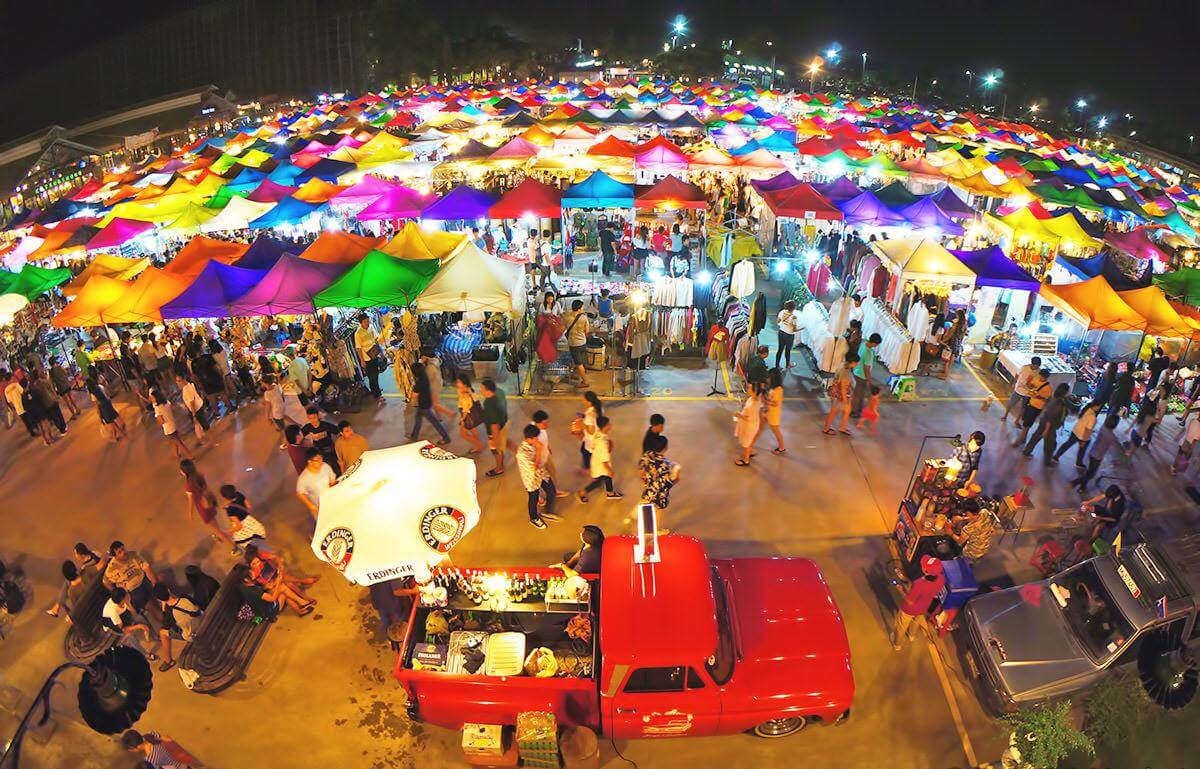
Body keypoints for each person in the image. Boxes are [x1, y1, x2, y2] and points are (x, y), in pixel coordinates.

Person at [891, 555, 945, 650]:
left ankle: (897, 644)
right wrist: (907, 580)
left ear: (926, 571)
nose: (922, 566)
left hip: (909, 610)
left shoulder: (919, 584)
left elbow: (909, 601)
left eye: (924, 566)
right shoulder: (941, 579)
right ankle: (911, 635)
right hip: (924, 607)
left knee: (901, 626)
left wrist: (900, 590)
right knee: (916, 622)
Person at [152, 583, 201, 672]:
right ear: (168, 590)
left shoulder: (169, 612)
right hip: (203, 622)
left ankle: (168, 661)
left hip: (193, 634)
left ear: (159, 600)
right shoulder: (184, 597)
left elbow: (167, 626)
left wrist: (164, 608)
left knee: (163, 633)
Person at [517, 424, 559, 529]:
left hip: (542, 473)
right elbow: (534, 468)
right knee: (533, 498)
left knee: (552, 491)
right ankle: (534, 518)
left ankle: (547, 511)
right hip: (532, 479)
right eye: (535, 438)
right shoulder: (522, 453)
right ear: (529, 439)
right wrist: (539, 450)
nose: (537, 440)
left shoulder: (533, 443)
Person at [103, 541, 157, 613]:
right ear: (115, 557)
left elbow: (146, 567)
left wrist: (155, 584)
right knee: (151, 606)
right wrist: (117, 592)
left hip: (144, 579)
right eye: (119, 552)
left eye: (123, 549)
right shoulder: (111, 569)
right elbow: (105, 582)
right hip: (133, 591)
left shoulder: (134, 555)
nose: (123, 552)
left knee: (160, 587)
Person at [1072, 413, 1121, 491]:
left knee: (1089, 472)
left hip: (1092, 452)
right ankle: (1073, 483)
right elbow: (1118, 447)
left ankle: (1082, 488)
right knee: (1090, 475)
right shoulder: (1111, 436)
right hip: (1097, 457)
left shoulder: (1103, 427)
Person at [1023, 382, 1070, 464]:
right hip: (1049, 425)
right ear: (1065, 392)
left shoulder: (1054, 396)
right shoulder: (1059, 402)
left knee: (1036, 436)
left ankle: (1027, 451)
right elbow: (1051, 416)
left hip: (1044, 421)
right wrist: (1046, 430)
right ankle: (1047, 461)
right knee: (1049, 444)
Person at [577, 416, 621, 501]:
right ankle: (582, 492)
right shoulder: (603, 443)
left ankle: (610, 493)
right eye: (608, 424)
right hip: (601, 465)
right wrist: (609, 470)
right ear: (605, 427)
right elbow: (604, 460)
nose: (610, 425)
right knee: (599, 481)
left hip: (596, 461)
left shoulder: (598, 433)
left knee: (607, 477)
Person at [408, 362, 450, 444]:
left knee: (435, 422)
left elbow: (414, 396)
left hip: (423, 406)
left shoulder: (418, 384)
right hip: (425, 403)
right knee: (418, 419)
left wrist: (412, 400)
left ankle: (446, 438)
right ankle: (414, 436)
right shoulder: (425, 378)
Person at [1054, 399, 1103, 468]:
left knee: (1067, 444)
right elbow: (1087, 430)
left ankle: (1056, 456)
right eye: (1099, 406)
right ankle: (1079, 463)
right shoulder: (1092, 417)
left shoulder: (1085, 409)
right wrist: (1084, 440)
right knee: (1082, 449)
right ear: (1096, 406)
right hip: (1082, 435)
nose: (1099, 408)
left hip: (1075, 430)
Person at [121, 730, 201, 768]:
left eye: (130, 749)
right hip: (178, 758)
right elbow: (168, 739)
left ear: (136, 747)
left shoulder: (150, 759)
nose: (131, 751)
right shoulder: (151, 734)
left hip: (174, 766)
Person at [222, 484, 267, 550]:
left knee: (252, 549)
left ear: (225, 497)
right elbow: (248, 506)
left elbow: (239, 526)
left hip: (245, 532)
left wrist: (227, 533)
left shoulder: (230, 510)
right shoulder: (238, 494)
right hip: (252, 524)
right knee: (259, 546)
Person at [639, 433, 679, 508]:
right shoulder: (666, 465)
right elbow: (668, 484)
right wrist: (677, 475)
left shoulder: (647, 455)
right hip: (659, 500)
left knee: (645, 509)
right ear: (665, 448)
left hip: (647, 493)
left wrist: (646, 481)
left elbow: (641, 471)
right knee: (654, 513)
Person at [1014, 369, 1052, 446]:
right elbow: (1031, 386)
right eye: (1041, 376)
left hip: (1037, 407)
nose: (1041, 377)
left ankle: (1021, 438)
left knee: (1027, 423)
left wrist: (1038, 396)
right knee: (1026, 421)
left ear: (1047, 377)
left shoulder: (1048, 388)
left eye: (1043, 377)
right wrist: (1029, 383)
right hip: (1030, 403)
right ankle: (1023, 438)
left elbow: (1047, 398)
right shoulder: (1036, 379)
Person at [152, 387, 192, 460]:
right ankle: (176, 454)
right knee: (174, 441)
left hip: (168, 428)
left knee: (178, 442)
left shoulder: (158, 408)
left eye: (152, 397)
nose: (151, 399)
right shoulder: (167, 403)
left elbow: (161, 421)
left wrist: (157, 418)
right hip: (173, 423)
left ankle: (190, 455)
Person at [824, 352, 858, 436]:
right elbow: (843, 387)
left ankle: (842, 427)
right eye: (857, 362)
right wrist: (845, 399)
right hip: (840, 395)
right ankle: (827, 428)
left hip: (838, 393)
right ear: (852, 362)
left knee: (846, 410)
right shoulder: (846, 371)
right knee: (834, 411)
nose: (857, 364)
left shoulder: (843, 365)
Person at [296, 449, 337, 517]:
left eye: (321, 458)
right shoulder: (303, 478)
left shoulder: (325, 466)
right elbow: (300, 493)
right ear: (310, 462)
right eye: (318, 460)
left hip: (331, 501)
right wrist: (311, 506)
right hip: (320, 507)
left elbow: (332, 480)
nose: (321, 461)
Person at [480, 378, 509, 477]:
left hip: (496, 431)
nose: (480, 391)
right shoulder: (499, 393)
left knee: (496, 450)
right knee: (502, 445)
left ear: (488, 390)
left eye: (482, 389)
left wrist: (495, 439)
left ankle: (499, 468)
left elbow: (494, 424)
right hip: (503, 424)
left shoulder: (489, 404)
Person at [86, 373, 127, 441]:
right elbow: (106, 393)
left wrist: (100, 416)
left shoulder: (93, 394)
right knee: (113, 414)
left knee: (111, 422)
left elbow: (97, 405)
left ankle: (120, 435)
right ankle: (118, 430)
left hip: (103, 407)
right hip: (108, 402)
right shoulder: (100, 386)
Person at [301, 406, 341, 474]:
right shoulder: (307, 427)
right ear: (307, 417)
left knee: (335, 465)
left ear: (318, 416)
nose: (313, 420)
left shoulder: (326, 425)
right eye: (310, 418)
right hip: (318, 451)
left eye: (314, 417)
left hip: (329, 450)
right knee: (324, 468)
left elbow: (338, 431)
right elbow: (301, 436)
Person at [1001, 356, 1042, 423]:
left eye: (1038, 366)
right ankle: (1005, 415)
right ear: (1032, 364)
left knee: (1023, 408)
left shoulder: (1038, 371)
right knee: (1011, 403)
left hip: (1028, 393)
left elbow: (1037, 382)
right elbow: (1017, 375)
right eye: (1036, 366)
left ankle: (1017, 421)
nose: (1037, 367)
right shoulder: (1024, 368)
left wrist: (1031, 385)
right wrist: (1014, 383)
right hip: (1018, 390)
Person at [850, 333, 881, 419]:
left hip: (856, 371)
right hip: (861, 376)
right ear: (874, 343)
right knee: (858, 395)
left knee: (859, 394)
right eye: (877, 344)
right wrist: (869, 380)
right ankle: (853, 411)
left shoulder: (863, 344)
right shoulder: (868, 353)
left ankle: (858, 410)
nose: (876, 346)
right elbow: (866, 368)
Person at [355, 314, 384, 399]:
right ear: (361, 323)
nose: (367, 323)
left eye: (368, 321)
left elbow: (376, 340)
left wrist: (380, 352)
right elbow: (358, 348)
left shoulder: (371, 327)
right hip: (366, 358)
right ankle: (376, 394)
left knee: (376, 373)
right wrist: (362, 360)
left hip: (374, 355)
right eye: (365, 322)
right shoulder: (358, 333)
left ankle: (376, 390)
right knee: (371, 376)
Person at [734, 383, 764, 466]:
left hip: (749, 426)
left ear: (755, 392)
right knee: (749, 441)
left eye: (750, 388)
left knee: (746, 443)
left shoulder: (753, 405)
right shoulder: (755, 398)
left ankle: (746, 460)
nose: (747, 388)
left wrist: (738, 415)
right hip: (753, 423)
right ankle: (751, 451)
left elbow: (747, 418)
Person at [563, 299, 591, 387]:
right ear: (579, 308)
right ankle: (579, 377)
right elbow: (587, 331)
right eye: (582, 307)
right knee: (580, 361)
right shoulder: (584, 318)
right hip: (582, 341)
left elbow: (564, 328)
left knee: (578, 362)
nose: (583, 308)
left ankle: (585, 381)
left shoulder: (567, 317)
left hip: (573, 343)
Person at [455, 373, 485, 454]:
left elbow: (465, 410)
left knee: (463, 434)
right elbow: (476, 400)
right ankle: (478, 445)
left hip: (468, 417)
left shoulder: (465, 396)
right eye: (457, 382)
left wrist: (462, 419)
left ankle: (479, 446)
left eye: (459, 382)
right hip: (472, 416)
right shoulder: (469, 390)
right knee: (473, 430)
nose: (457, 384)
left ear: (464, 384)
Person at [177, 374, 210, 446]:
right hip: (198, 406)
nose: (177, 383)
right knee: (201, 425)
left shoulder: (186, 389)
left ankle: (209, 439)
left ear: (184, 379)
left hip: (196, 410)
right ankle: (206, 439)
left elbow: (192, 403)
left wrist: (194, 415)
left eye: (179, 381)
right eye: (177, 381)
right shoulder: (189, 384)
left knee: (202, 426)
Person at [576, 390, 603, 471]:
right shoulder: (598, 409)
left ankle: (589, 471)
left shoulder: (589, 415)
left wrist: (582, 423)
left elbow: (591, 431)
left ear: (589, 402)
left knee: (588, 457)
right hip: (597, 439)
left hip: (591, 442)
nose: (583, 401)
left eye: (584, 399)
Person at [763, 368, 786, 454]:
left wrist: (765, 401)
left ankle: (781, 447)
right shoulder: (774, 388)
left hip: (774, 414)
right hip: (770, 412)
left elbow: (775, 403)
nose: (767, 379)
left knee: (775, 430)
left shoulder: (778, 389)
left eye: (769, 377)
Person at [775, 300, 798, 369]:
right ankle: (787, 365)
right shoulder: (794, 317)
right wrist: (802, 328)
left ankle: (777, 365)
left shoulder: (782, 312)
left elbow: (777, 322)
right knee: (788, 351)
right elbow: (794, 329)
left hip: (781, 333)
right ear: (794, 308)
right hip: (789, 335)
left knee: (780, 349)